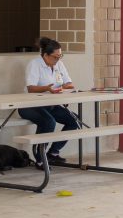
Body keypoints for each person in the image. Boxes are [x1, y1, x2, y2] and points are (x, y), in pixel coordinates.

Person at [20, 36, 81, 164]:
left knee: (74, 120)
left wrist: (63, 88)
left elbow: (69, 83)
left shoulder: (59, 64)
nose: (58, 59)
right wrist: (47, 88)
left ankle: (53, 152)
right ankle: (40, 158)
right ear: (45, 55)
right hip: (30, 106)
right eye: (55, 57)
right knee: (49, 122)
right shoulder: (35, 64)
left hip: (51, 104)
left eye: (60, 56)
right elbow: (31, 88)